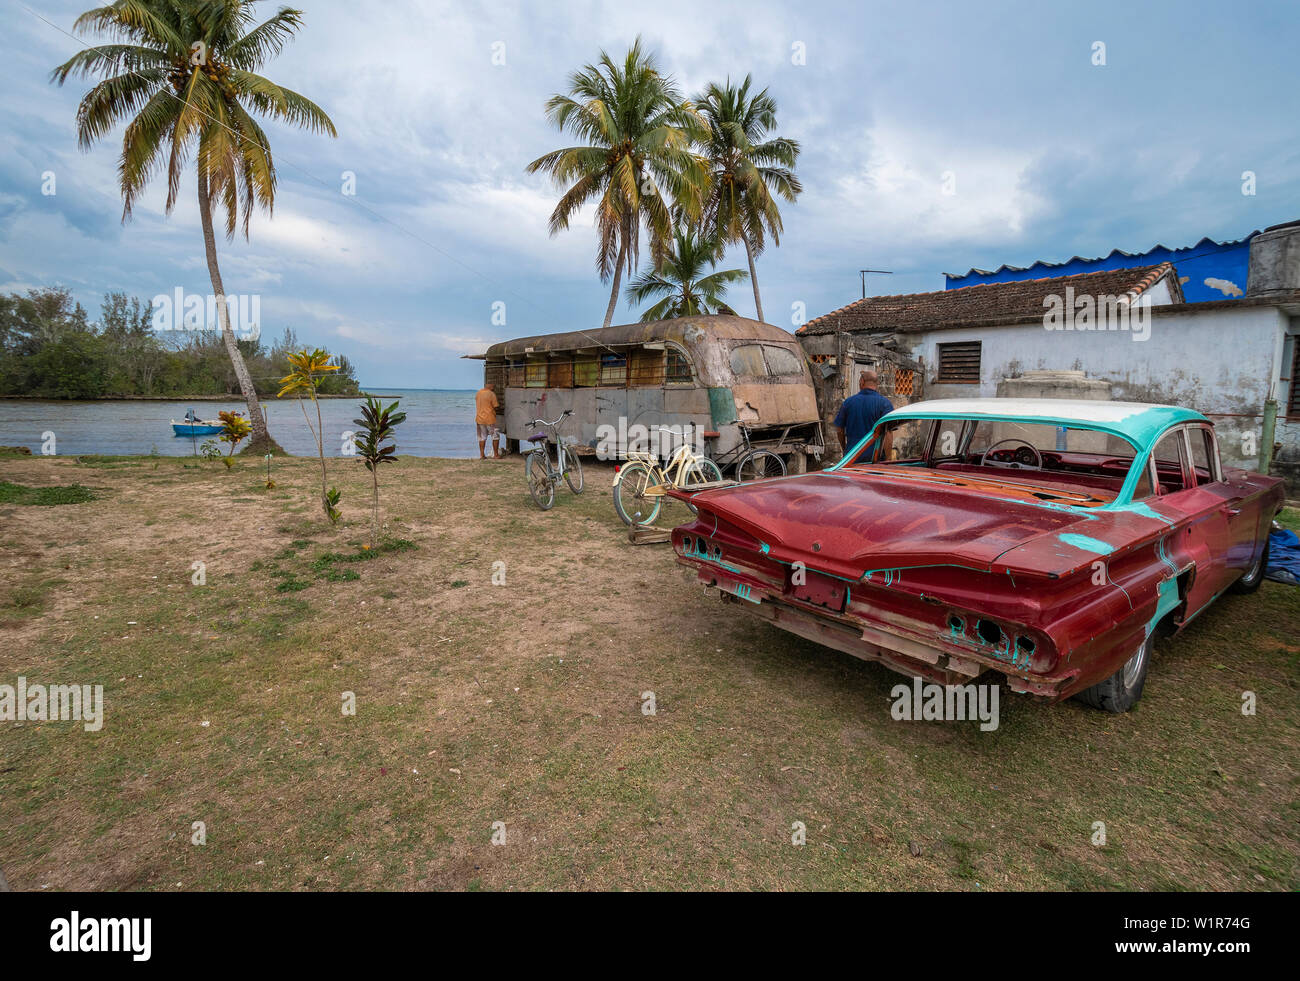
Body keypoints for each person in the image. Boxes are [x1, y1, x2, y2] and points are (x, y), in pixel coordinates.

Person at [833, 369, 895, 458]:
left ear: (862, 382)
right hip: (875, 460)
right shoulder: (885, 404)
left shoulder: (848, 403)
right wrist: (888, 459)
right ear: (877, 384)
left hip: (852, 458)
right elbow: (888, 434)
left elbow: (839, 430)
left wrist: (845, 450)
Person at [475, 383, 501, 459]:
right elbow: (496, 406)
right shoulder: (491, 394)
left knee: (482, 437)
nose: (494, 387)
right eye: (493, 386)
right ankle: (496, 455)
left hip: (479, 419)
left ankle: (482, 455)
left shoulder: (478, 393)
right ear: (490, 386)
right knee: (495, 436)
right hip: (490, 419)